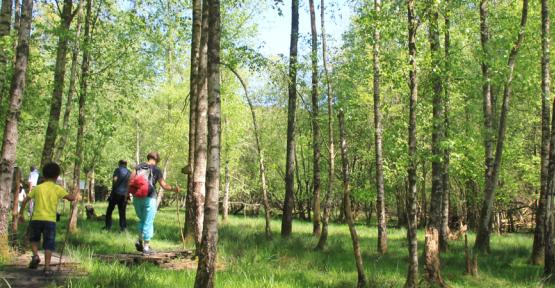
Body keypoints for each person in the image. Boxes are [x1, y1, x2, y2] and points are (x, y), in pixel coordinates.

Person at [19, 162, 78, 276]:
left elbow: (26, 200)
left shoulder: (38, 188)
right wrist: (76, 194)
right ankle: (46, 267)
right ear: (56, 176)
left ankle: (35, 255)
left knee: (34, 239)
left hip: (36, 219)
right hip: (50, 221)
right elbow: (71, 198)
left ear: (44, 175)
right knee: (49, 243)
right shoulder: (57, 188)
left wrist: (21, 213)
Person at [131, 152, 179, 255]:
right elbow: (164, 185)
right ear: (157, 160)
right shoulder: (156, 169)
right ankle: (146, 248)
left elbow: (130, 181)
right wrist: (174, 189)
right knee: (148, 221)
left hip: (137, 197)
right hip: (150, 197)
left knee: (142, 220)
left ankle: (139, 240)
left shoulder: (138, 167)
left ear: (148, 158)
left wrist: (127, 194)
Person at [104, 160, 131, 231]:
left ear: (119, 164)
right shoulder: (129, 172)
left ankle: (108, 227)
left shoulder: (117, 170)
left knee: (109, 211)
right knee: (122, 212)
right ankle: (123, 228)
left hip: (116, 193)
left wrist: (112, 190)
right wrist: (127, 195)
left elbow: (115, 180)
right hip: (124, 195)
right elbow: (129, 184)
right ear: (126, 164)